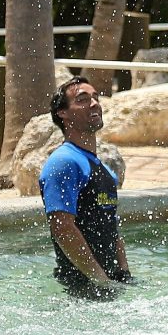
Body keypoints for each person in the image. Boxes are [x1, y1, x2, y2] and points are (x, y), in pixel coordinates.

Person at [39, 76, 131, 298]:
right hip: (80, 288)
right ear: (63, 113)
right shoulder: (63, 162)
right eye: (82, 99)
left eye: (95, 97)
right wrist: (100, 280)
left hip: (107, 283)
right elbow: (62, 227)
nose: (94, 103)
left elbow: (110, 224)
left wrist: (124, 273)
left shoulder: (103, 169)